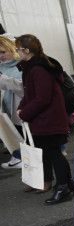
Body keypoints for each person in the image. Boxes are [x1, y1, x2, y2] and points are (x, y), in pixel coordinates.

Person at [15, 34, 72, 203]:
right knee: (49, 153)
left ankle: (63, 188)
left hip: (49, 119)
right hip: (46, 119)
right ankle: (64, 185)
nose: (17, 52)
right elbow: (31, 94)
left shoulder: (38, 69)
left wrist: (24, 113)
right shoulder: (34, 67)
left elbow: (42, 98)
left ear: (26, 50)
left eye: (18, 49)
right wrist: (22, 107)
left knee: (54, 153)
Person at [0, 36, 24, 169]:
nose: (1, 56)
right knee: (13, 134)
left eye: (3, 52)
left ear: (11, 49)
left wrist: (3, 80)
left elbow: (25, 89)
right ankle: (18, 157)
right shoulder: (1, 67)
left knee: (24, 135)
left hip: (22, 109)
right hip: (7, 109)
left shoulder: (22, 65)